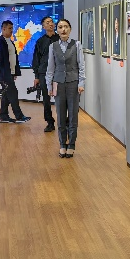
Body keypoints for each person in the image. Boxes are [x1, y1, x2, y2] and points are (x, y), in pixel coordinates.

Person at [46, 19, 86, 158]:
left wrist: (81, 83)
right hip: (58, 83)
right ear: (57, 30)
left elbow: (81, 66)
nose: (63, 29)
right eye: (60, 27)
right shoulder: (53, 46)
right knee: (61, 115)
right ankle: (62, 144)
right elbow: (50, 68)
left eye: (66, 27)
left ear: (70, 29)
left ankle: (72, 145)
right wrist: (49, 85)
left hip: (73, 83)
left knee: (73, 115)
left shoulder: (77, 44)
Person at [0, 20, 31, 123]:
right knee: (13, 93)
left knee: (6, 94)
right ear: (3, 29)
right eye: (9, 28)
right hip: (3, 73)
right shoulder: (0, 41)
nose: (11, 31)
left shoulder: (10, 42)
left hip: (10, 73)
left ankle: (3, 116)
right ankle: (19, 116)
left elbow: (13, 58)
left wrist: (14, 72)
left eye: (12, 28)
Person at [32, 16, 59, 132]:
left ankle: (64, 122)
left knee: (61, 98)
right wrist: (36, 76)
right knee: (46, 99)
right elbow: (36, 60)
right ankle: (49, 122)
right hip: (44, 73)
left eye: (52, 22)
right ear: (43, 26)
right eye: (47, 22)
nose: (50, 24)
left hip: (58, 72)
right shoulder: (40, 41)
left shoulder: (60, 39)